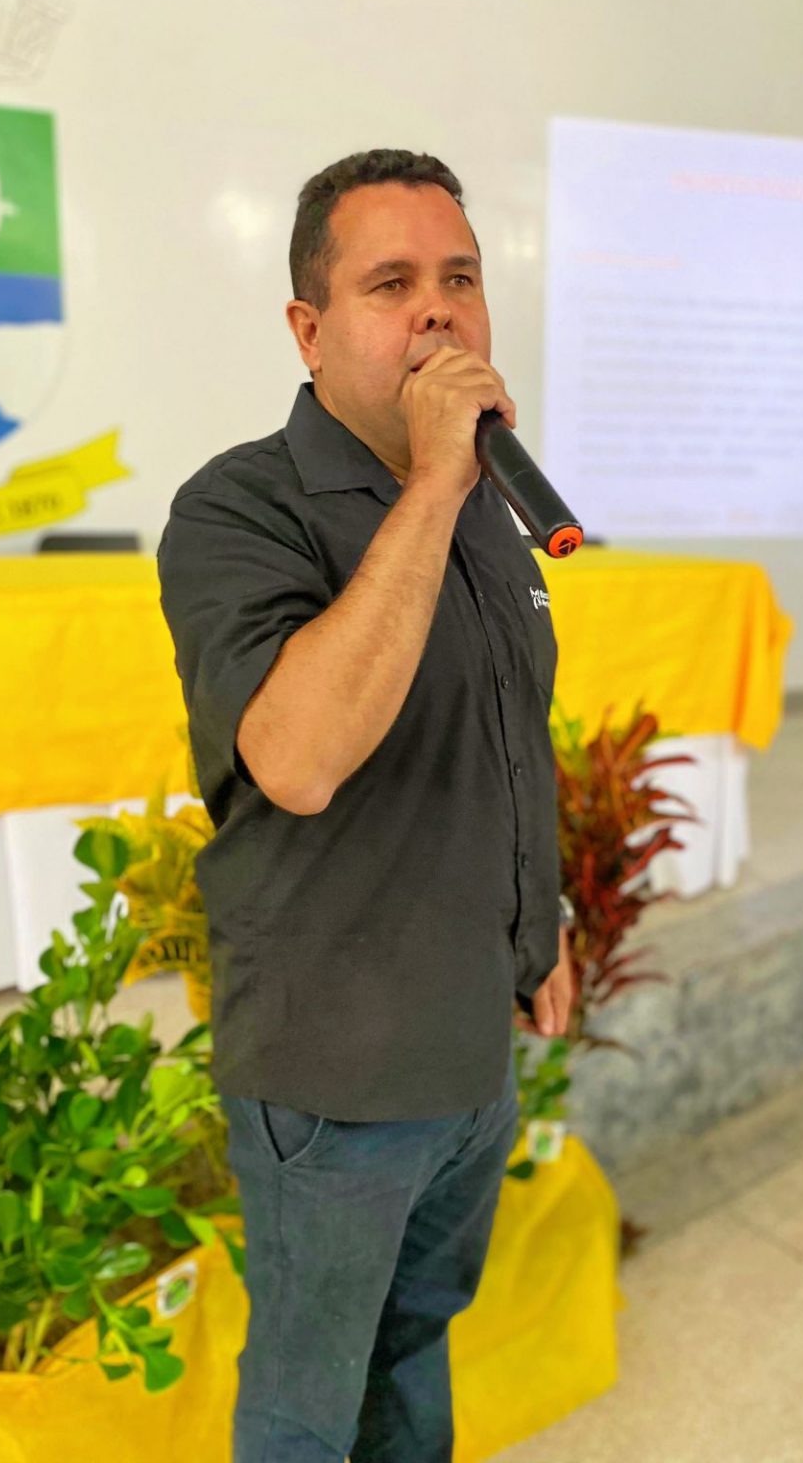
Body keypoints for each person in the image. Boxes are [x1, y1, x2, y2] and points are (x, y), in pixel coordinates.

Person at [157, 148, 574, 1463]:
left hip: (470, 1048)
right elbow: (298, 758)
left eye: (461, 278)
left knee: (414, 1341)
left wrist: (541, 928)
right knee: (307, 1398)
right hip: (336, 1077)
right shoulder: (240, 507)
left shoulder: (489, 508)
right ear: (309, 327)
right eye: (391, 283)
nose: (439, 309)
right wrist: (437, 485)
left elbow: (508, 733)